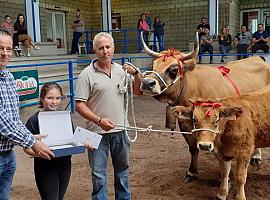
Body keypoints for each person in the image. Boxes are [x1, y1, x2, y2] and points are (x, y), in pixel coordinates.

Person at [75, 32, 142, 200]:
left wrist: (137, 75)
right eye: (101, 48)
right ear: (95, 50)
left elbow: (137, 92)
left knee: (123, 172)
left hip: (121, 130)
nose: (105, 51)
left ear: (114, 48)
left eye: (108, 47)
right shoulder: (86, 74)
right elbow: (79, 105)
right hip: (96, 133)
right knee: (98, 175)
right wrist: (99, 120)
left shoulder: (122, 71)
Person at [0, 28, 54, 200]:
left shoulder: (8, 77)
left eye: (8, 49)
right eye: (0, 48)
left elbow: (14, 119)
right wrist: (30, 141)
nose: (5, 53)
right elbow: (2, 121)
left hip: (8, 155)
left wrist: (27, 135)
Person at [24, 82, 93, 200]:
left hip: (65, 164)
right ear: (42, 99)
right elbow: (26, 148)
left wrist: (83, 144)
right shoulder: (34, 120)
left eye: (57, 98)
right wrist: (40, 153)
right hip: (45, 166)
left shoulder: (65, 117)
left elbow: (72, 138)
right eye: (50, 98)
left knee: (59, 197)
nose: (54, 102)